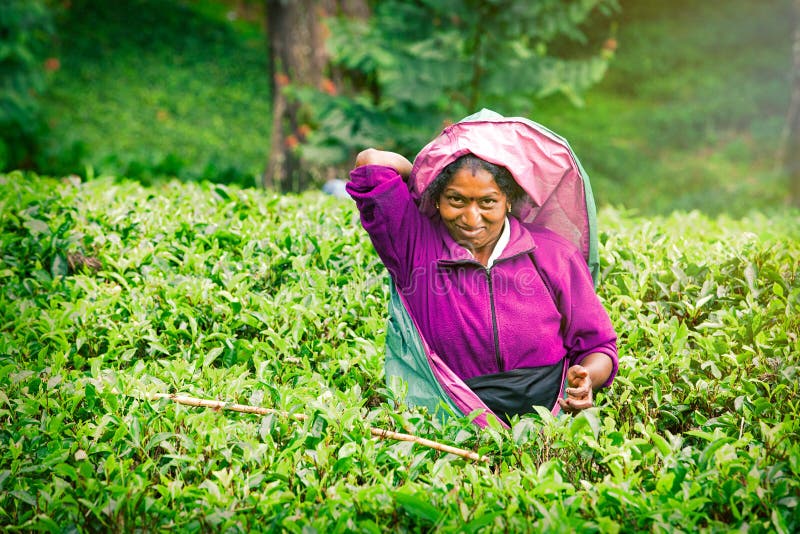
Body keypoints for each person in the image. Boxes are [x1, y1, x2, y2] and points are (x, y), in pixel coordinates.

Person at [346, 115, 618, 425]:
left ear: (509, 201)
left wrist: (588, 379)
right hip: (455, 420)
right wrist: (424, 174)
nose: (472, 217)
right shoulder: (414, 246)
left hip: (551, 418)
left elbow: (598, 345)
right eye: (455, 199)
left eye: (487, 202)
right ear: (435, 198)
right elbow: (370, 163)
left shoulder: (554, 254)